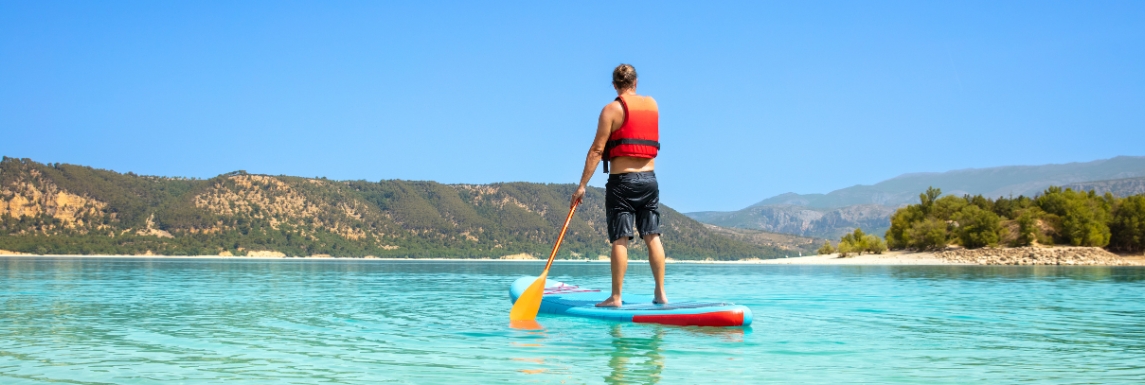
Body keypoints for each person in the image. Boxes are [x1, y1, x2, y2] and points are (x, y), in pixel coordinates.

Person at [570, 64, 668, 307]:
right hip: (649, 181)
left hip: (622, 183)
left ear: (614, 85)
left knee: (620, 240)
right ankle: (660, 293)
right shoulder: (653, 105)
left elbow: (596, 151)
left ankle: (616, 297)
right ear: (636, 82)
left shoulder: (611, 110)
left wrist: (582, 185)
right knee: (652, 236)